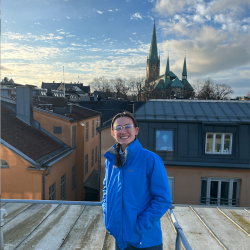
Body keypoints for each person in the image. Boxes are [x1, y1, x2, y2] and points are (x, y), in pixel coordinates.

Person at [102, 111, 172, 250]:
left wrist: (138, 228)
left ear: (136, 130)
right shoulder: (110, 160)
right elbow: (106, 190)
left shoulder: (150, 160)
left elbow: (163, 200)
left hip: (145, 241)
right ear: (113, 132)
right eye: (118, 127)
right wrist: (108, 217)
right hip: (120, 237)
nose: (123, 131)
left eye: (128, 126)